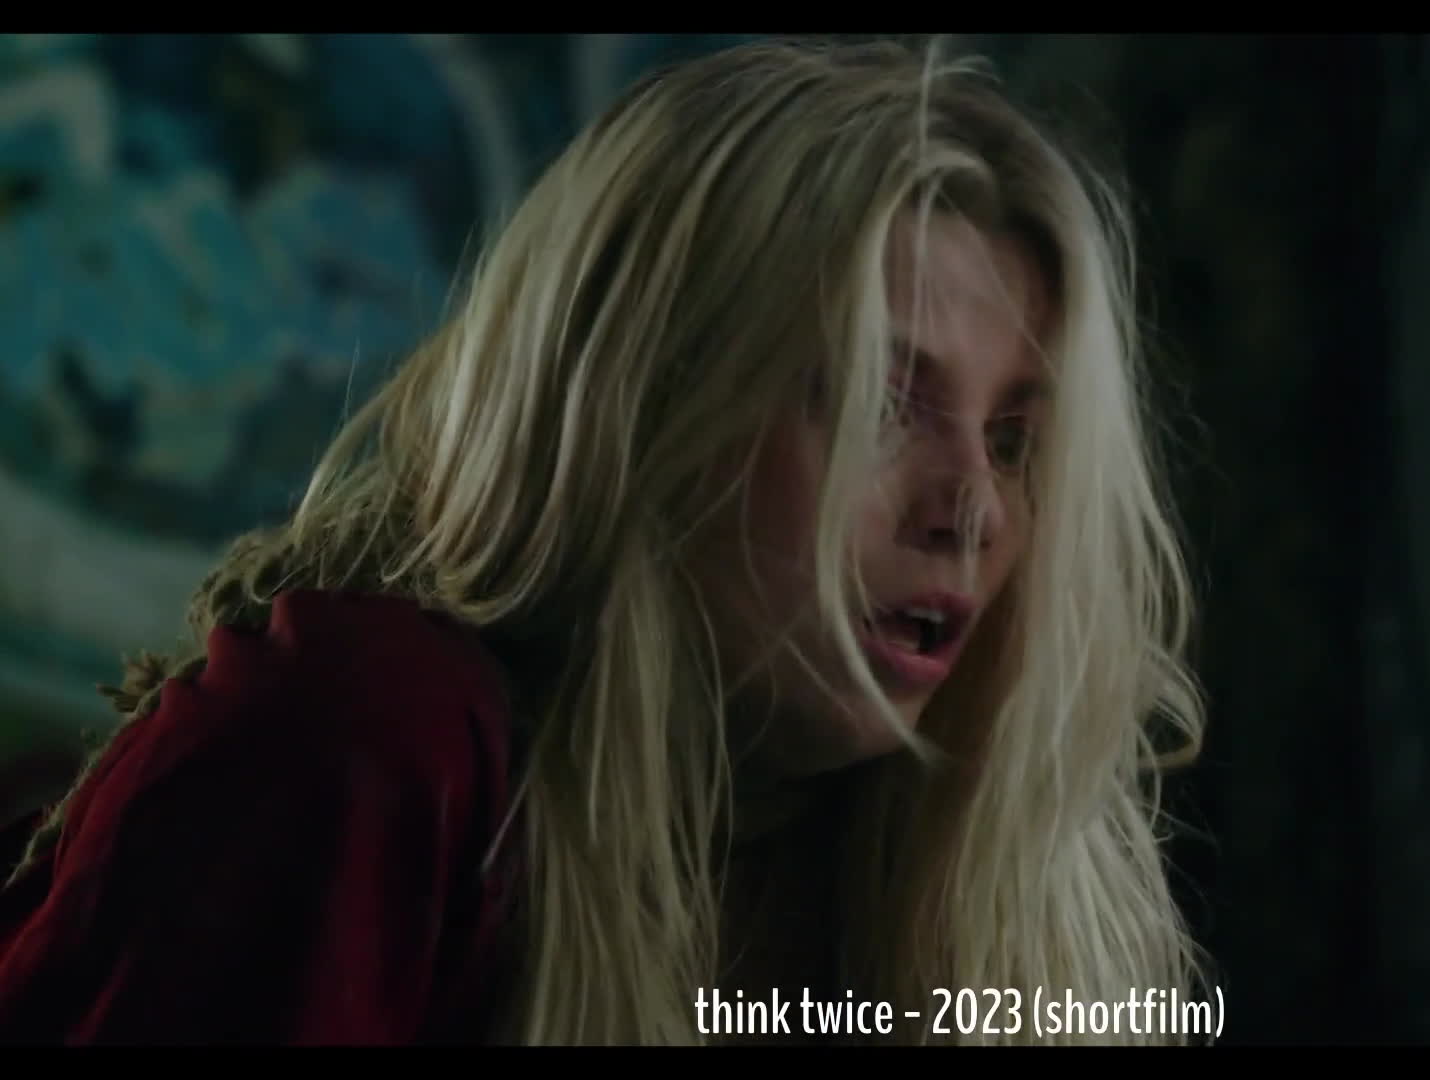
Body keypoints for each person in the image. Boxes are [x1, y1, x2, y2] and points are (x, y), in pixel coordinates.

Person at [0, 36, 1207, 1045]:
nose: (972, 509)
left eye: (1013, 439)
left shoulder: (937, 856)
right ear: (646, 408)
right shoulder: (367, 745)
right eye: (881, 402)